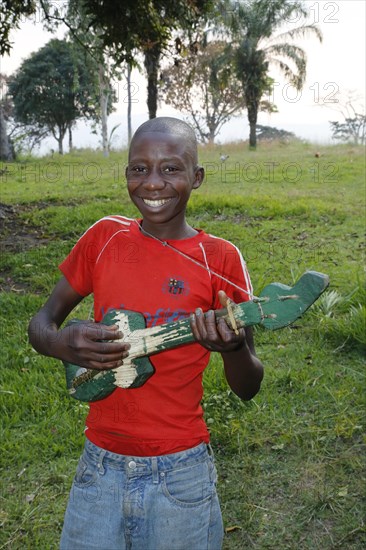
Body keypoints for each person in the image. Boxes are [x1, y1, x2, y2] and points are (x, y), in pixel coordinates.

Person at [28, 117, 264, 550]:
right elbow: (41, 324)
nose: (152, 183)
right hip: (98, 466)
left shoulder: (220, 259)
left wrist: (231, 349)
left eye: (170, 169)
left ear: (197, 177)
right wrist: (59, 342)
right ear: (127, 175)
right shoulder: (104, 238)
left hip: (181, 473)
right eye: (139, 168)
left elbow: (249, 385)